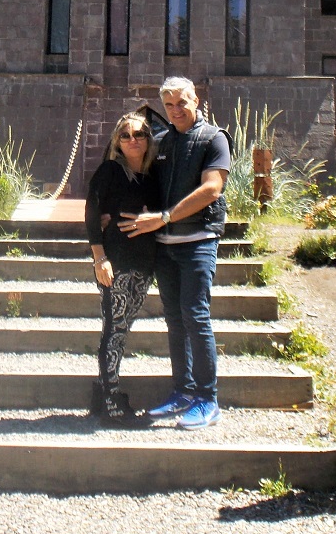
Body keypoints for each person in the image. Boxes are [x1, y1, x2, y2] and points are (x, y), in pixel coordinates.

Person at [121, 77, 230, 430]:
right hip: (166, 246)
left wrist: (165, 217)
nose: (176, 110)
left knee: (195, 316)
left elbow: (212, 188)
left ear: (196, 99)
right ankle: (182, 391)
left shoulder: (214, 139)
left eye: (182, 102)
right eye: (168, 105)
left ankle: (207, 399)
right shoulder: (163, 141)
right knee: (174, 319)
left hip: (198, 241)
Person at [84, 112, 160, 427]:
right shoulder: (111, 170)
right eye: (125, 135)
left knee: (119, 329)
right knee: (114, 330)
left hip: (143, 262)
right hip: (116, 261)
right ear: (117, 141)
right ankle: (113, 404)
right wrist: (99, 257)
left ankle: (103, 395)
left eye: (139, 134)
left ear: (148, 139)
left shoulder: (152, 176)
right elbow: (91, 210)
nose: (132, 140)